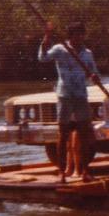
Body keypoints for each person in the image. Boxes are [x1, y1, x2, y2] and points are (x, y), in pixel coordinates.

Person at [39, 21, 101, 182]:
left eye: (82, 34)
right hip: (65, 95)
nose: (80, 37)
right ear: (70, 36)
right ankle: (61, 172)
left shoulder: (87, 53)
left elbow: (93, 73)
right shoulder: (60, 49)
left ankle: (85, 171)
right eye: (76, 34)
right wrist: (47, 36)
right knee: (63, 134)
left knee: (84, 133)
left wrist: (94, 77)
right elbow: (43, 58)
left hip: (80, 94)